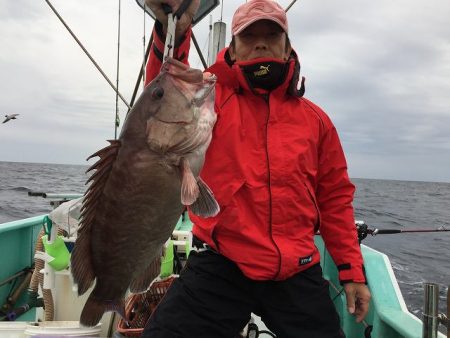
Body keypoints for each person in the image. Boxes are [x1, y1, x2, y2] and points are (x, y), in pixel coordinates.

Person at [142, 0, 371, 337]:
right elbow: (162, 98)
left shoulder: (317, 121)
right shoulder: (210, 102)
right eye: (249, 37)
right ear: (232, 51)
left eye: (271, 34)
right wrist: (171, 29)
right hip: (221, 262)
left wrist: (351, 272)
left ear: (287, 47)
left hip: (296, 268)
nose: (261, 43)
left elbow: (335, 200)